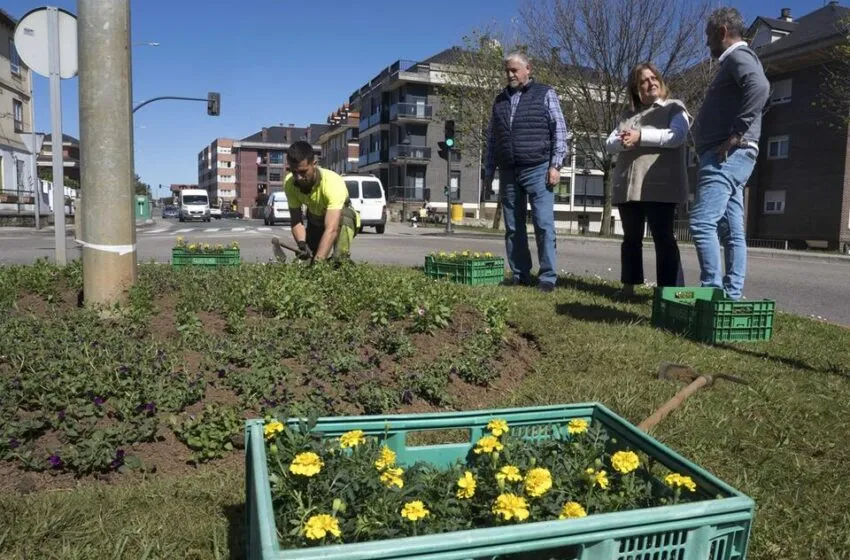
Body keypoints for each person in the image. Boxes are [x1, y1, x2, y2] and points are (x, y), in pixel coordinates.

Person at [690, 7, 770, 300]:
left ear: (722, 31)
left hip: (727, 155)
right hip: (732, 156)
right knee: (731, 230)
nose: (707, 43)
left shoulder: (738, 56)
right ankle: (732, 296)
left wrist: (736, 133)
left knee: (701, 222)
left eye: (708, 36)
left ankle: (711, 293)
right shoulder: (737, 61)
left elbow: (760, 87)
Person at [483, 51, 568, 293]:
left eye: (514, 70)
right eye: (507, 71)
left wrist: (556, 165)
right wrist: (489, 172)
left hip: (539, 168)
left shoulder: (545, 93)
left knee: (543, 223)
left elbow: (559, 131)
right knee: (513, 226)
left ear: (527, 69)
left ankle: (548, 277)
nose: (510, 74)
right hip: (509, 170)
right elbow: (492, 140)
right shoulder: (499, 101)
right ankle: (520, 274)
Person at [606, 62, 691, 297]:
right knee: (631, 239)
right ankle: (629, 287)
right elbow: (609, 144)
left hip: (659, 186)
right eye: (643, 80)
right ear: (636, 88)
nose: (650, 83)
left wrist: (640, 136)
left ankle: (669, 292)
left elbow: (677, 136)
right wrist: (624, 140)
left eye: (653, 78)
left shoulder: (675, 107)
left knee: (663, 238)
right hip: (629, 186)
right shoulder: (627, 115)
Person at [283, 141, 359, 262]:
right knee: (308, 260)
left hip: (339, 220)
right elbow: (296, 220)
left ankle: (341, 260)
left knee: (345, 219)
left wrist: (318, 262)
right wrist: (302, 243)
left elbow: (332, 229)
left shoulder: (332, 182)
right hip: (315, 219)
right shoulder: (289, 183)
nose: (298, 178)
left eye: (303, 172)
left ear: (314, 164)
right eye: (294, 172)